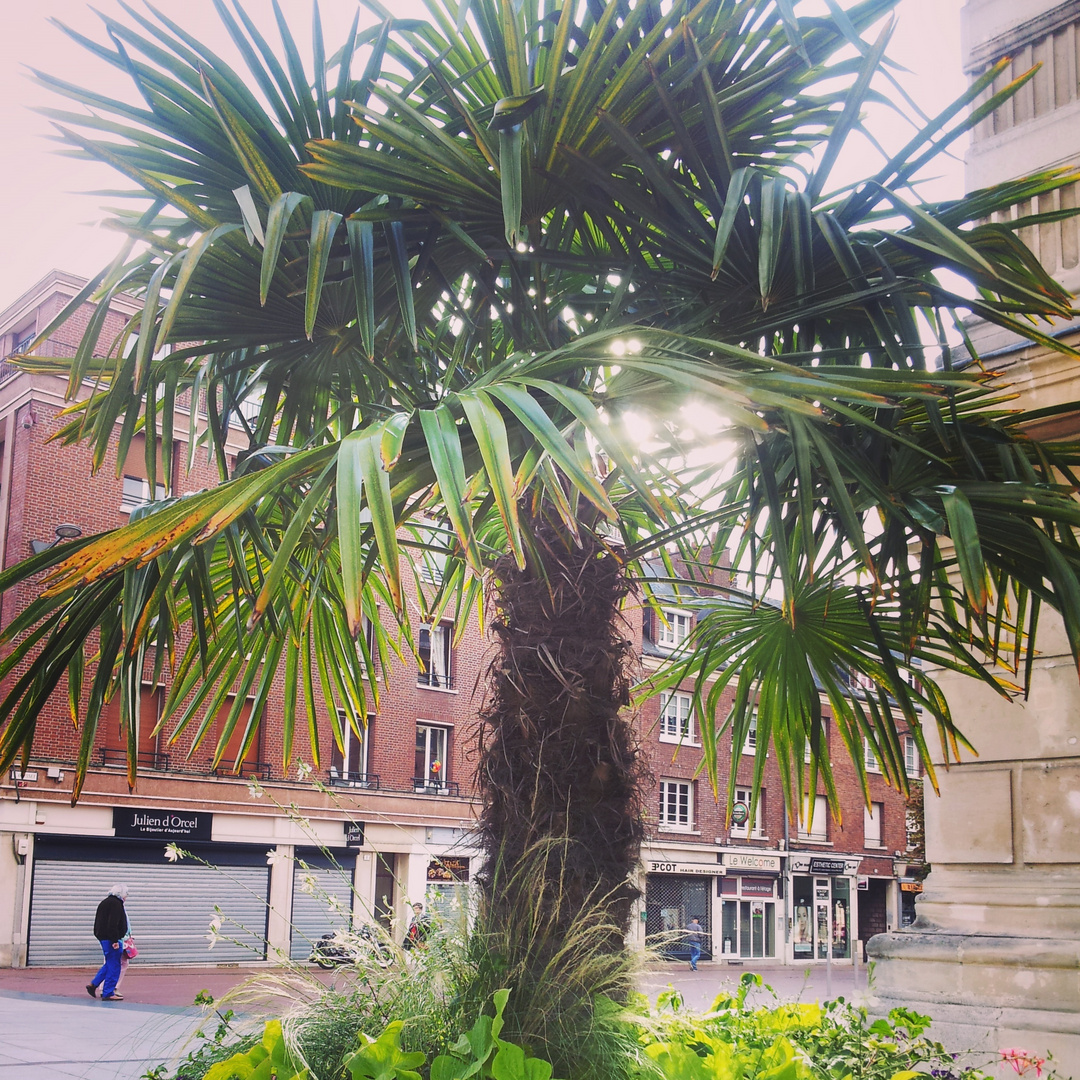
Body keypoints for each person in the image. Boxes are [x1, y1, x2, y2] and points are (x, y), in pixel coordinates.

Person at [87, 884, 128, 1001]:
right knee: (115, 965)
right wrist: (115, 940)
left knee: (110, 963)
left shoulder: (105, 902)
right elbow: (112, 923)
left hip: (104, 937)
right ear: (121, 893)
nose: (126, 897)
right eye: (126, 894)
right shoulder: (116, 904)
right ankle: (108, 992)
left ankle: (93, 984)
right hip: (111, 939)